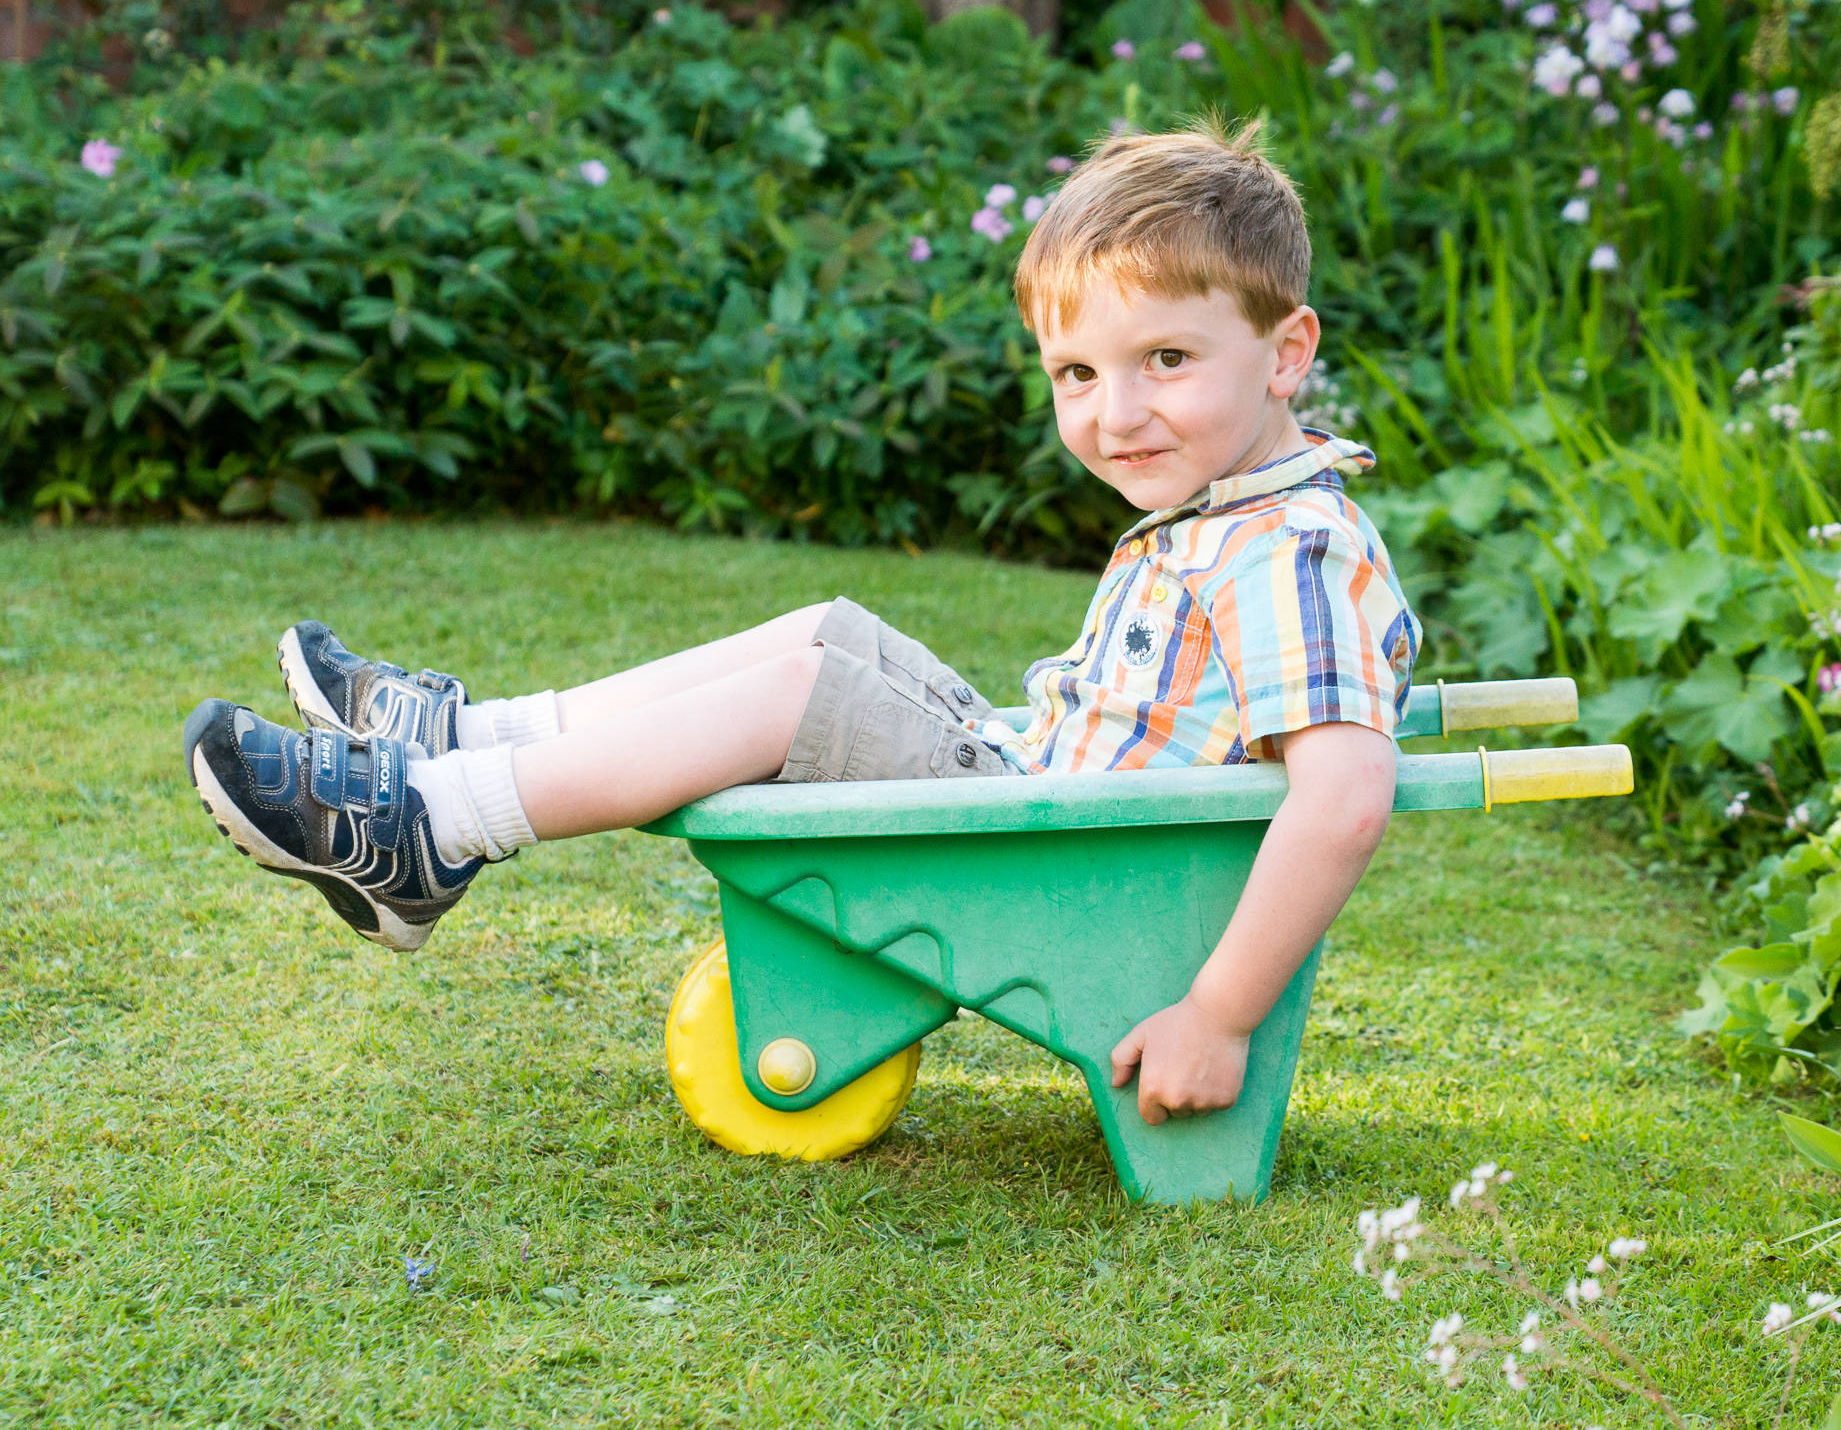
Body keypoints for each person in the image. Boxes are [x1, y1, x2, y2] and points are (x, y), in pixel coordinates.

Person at [183, 109, 1421, 1128]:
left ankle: (437, 828)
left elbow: (1342, 798)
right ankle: (467, 738)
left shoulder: (1288, 548)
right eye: (1076, 374)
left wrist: (1217, 1013)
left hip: (1063, 854)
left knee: (801, 696)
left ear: (1285, 352)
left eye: (1165, 361)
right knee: (825, 632)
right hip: (1043, 804)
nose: (1114, 413)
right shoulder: (1236, 520)